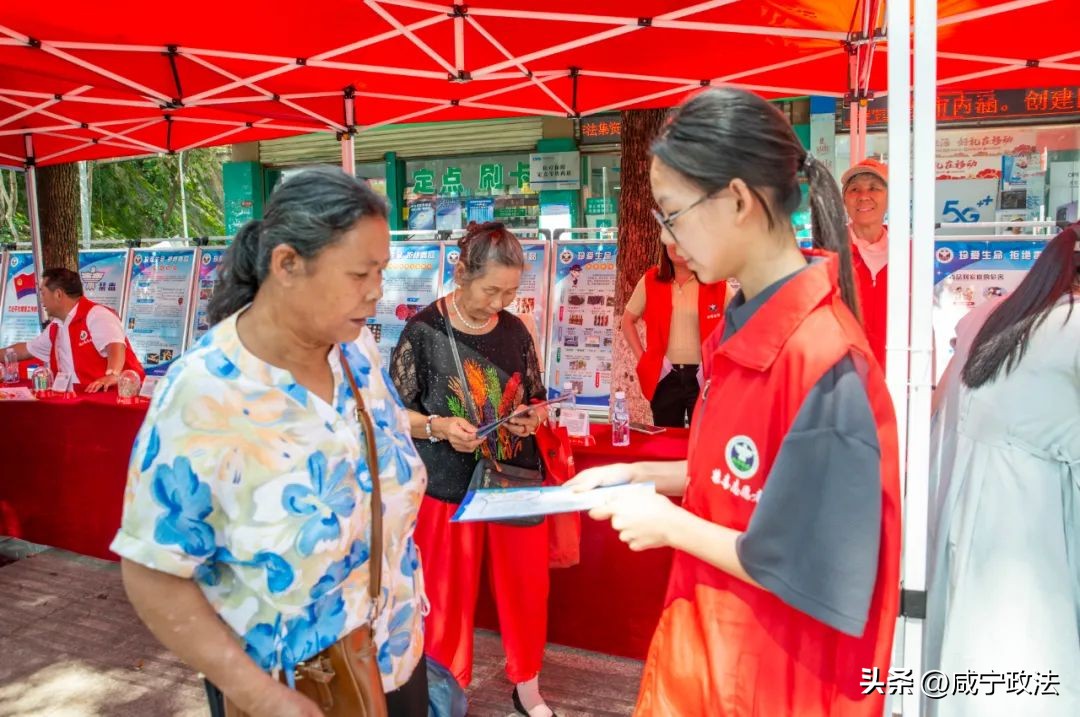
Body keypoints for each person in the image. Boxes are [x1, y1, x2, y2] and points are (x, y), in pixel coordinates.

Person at [567, 88, 901, 716]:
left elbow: (809, 561)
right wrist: (645, 474)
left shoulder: (825, 363)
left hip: (772, 679)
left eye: (671, 213)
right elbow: (751, 475)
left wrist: (670, 525)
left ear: (739, 201)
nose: (666, 236)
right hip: (711, 661)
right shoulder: (744, 328)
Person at [110, 167, 430, 717]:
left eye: (381, 270)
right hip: (288, 690)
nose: (377, 292)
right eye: (360, 273)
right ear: (286, 264)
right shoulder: (205, 394)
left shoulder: (356, 354)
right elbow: (152, 571)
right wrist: (262, 698)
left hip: (393, 657)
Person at [390, 221, 554, 717]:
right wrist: (438, 426)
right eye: (491, 290)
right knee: (446, 598)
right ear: (461, 273)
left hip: (513, 481)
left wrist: (533, 417)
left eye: (510, 291)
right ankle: (446, 691)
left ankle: (527, 686)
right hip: (446, 486)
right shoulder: (423, 331)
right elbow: (395, 414)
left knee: (526, 591)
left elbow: (538, 396)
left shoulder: (515, 330)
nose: (500, 302)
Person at [924, 224, 1080, 717]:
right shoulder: (1071, 327)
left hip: (963, 499)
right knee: (1027, 647)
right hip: (1032, 517)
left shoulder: (992, 314)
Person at [621, 242, 729, 427]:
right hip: (665, 377)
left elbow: (741, 321)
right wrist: (644, 359)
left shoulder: (715, 283)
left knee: (702, 440)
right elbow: (627, 321)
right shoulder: (651, 280)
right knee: (666, 440)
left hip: (703, 378)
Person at [1, 267, 143, 391]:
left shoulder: (96, 314)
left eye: (43, 293)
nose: (41, 300)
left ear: (58, 294)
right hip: (78, 397)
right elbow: (25, 350)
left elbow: (115, 346)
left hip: (112, 397)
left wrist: (113, 374)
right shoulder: (56, 326)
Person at [842, 158, 889, 369]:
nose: (863, 196)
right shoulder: (829, 250)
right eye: (854, 189)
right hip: (843, 378)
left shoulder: (908, 253)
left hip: (896, 377)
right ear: (844, 199)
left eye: (874, 188)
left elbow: (922, 322)